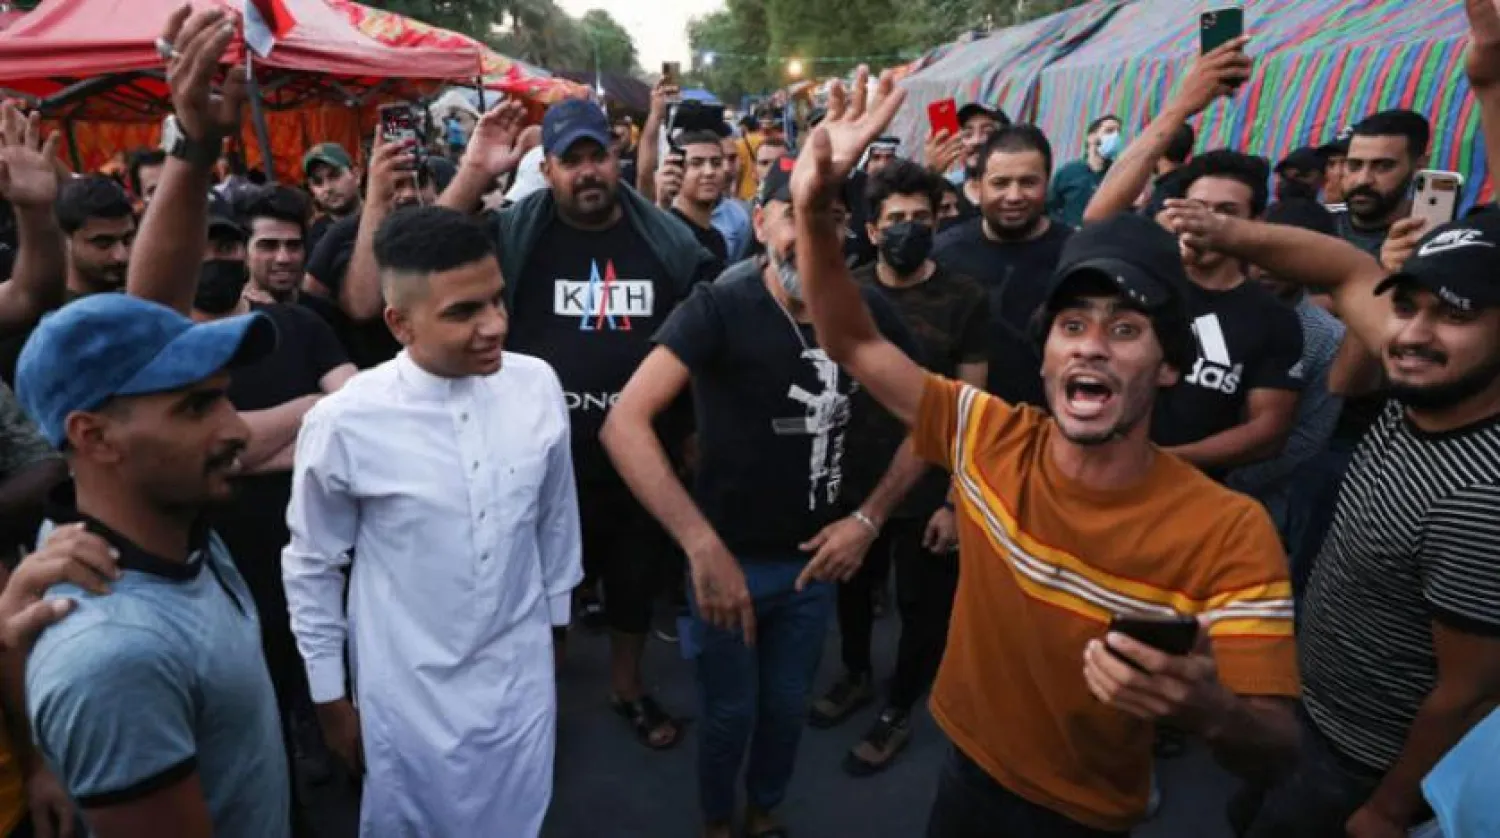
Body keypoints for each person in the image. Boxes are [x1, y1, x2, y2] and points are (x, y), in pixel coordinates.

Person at [792, 67, 1299, 838]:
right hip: (962, 770)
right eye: (1073, 326)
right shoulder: (990, 434)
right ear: (1047, 352)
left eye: (1125, 330)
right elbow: (852, 337)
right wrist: (814, 204)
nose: (1092, 347)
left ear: (1169, 365)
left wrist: (1209, 708)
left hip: (1084, 813)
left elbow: (1274, 749)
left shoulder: (1228, 532)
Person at [17, 11, 293, 836]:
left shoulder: (152, 525)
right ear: (92, 438)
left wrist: (196, 148)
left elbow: (151, 318)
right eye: (197, 406)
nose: (238, 428)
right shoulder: (115, 657)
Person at [600, 149, 927, 838]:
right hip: (729, 564)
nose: (814, 236)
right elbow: (624, 423)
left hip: (815, 563)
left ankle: (764, 811)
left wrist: (868, 521)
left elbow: (938, 419)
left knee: (784, 706)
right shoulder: (720, 305)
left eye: (835, 220)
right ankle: (718, 821)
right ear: (759, 220)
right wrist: (699, 546)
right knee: (729, 712)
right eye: (797, 215)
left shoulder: (862, 310)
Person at [1161, 203, 1500, 838]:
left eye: (1457, 315)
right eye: (1407, 307)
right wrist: (1226, 233)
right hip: (1308, 703)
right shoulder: (1428, 380)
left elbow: (1472, 693)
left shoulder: (1481, 496)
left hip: (1361, 759)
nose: (1412, 334)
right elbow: (1347, 270)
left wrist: (1389, 807)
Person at [282, 206, 581, 837]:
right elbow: (312, 565)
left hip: (520, 674)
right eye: (463, 312)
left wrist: (554, 626)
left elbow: (556, 520)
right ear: (400, 323)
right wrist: (330, 699)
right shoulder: (346, 420)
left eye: (497, 301)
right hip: (406, 691)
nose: (493, 325)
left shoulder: (537, 385)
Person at [438, 97, 718, 751]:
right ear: (549, 168)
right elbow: (423, 254)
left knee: (632, 582)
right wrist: (475, 172)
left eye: (599, 156)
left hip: (639, 460)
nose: (589, 172)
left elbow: (702, 342)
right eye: (573, 161)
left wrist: (694, 427)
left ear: (617, 158)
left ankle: (627, 687)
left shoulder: (670, 240)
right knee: (538, 591)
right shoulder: (514, 232)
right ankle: (538, 704)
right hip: (536, 458)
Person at [807, 159, 988, 777]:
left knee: (921, 606)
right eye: (895, 220)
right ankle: (856, 675)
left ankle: (899, 708)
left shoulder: (965, 299)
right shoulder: (849, 289)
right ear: (871, 227)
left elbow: (970, 411)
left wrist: (955, 502)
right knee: (853, 592)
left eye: (920, 217)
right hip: (852, 478)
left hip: (928, 485)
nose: (908, 229)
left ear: (939, 219)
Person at [1224, 200, 1344, 577]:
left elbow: (1307, 438)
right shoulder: (1212, 308)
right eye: (1260, 251)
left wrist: (1223, 481)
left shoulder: (1327, 337)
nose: (1265, 266)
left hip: (1256, 513)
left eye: (1283, 255)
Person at [932, 125, 1071, 405]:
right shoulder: (943, 254)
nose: (1014, 196)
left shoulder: (1075, 255)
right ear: (978, 185)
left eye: (1028, 182)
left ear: (1047, 183)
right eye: (1000, 183)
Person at [1329, 109, 1431, 257]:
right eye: (1354, 165)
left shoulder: (1434, 241)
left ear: (1419, 166)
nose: (1363, 180)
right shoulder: (1314, 226)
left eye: (1383, 166)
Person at [669, 130, 730, 275]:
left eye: (716, 163)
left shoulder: (717, 239)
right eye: (696, 163)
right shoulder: (669, 235)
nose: (709, 172)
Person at [1049, 114, 1122, 228]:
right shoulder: (1069, 172)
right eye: (1109, 131)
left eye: (1118, 133)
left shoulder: (1118, 175)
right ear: (1091, 137)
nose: (1115, 137)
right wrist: (1065, 227)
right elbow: (1049, 208)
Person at [301, 142, 361, 255]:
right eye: (318, 182)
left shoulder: (385, 217)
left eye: (334, 176)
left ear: (356, 175)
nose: (327, 188)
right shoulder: (314, 238)